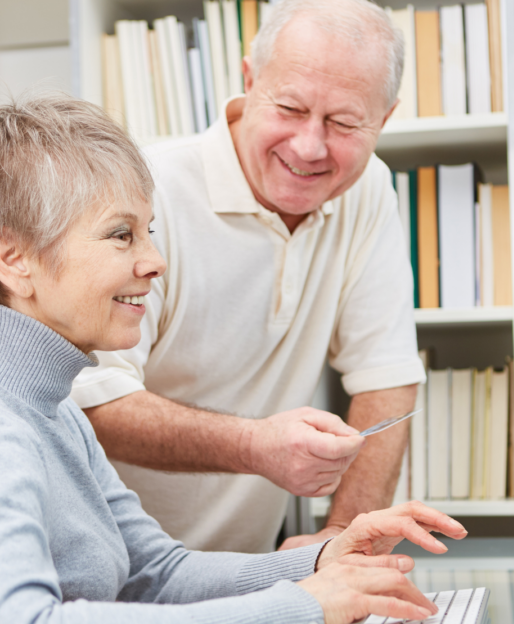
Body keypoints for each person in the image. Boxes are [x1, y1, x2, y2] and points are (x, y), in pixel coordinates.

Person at [0, 94, 466, 624]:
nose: (154, 261)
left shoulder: (48, 406)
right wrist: (302, 609)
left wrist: (322, 562)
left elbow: (152, 574)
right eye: (121, 234)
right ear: (13, 259)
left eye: (149, 231)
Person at [73, 0, 424, 554]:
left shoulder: (368, 190)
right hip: (108, 576)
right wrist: (255, 445)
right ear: (249, 79)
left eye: (344, 122)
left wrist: (341, 542)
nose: (310, 147)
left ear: (384, 117)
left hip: (246, 577)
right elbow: (96, 404)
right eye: (288, 107)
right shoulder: (148, 190)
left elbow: (388, 380)